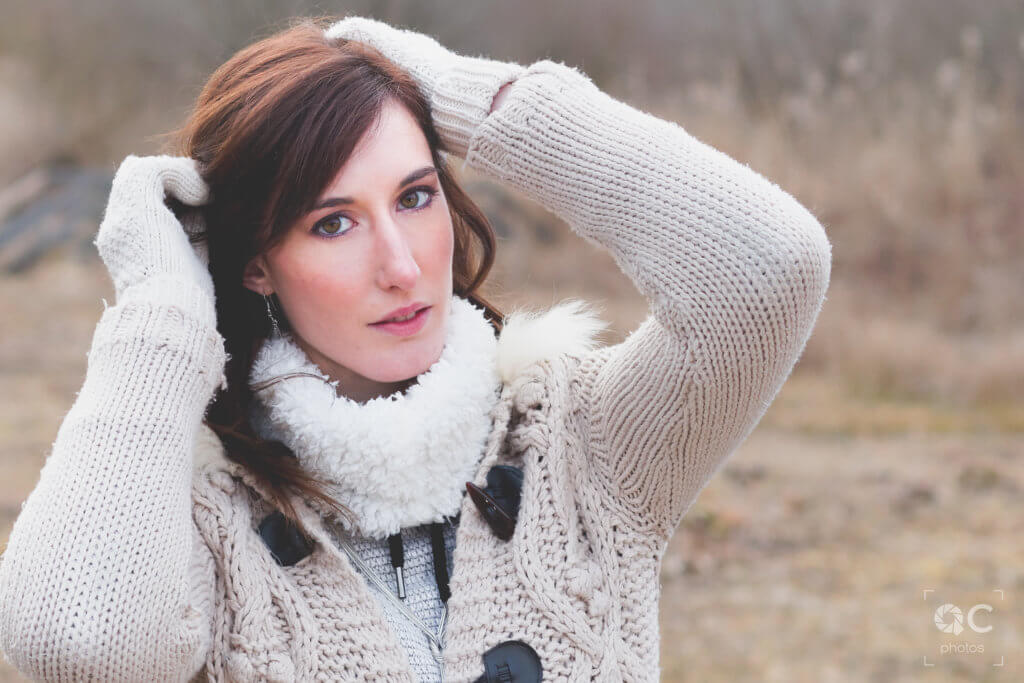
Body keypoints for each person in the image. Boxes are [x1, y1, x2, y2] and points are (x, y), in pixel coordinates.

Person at [0, 14, 832, 683]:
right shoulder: (200, 533)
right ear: (256, 263)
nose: (401, 265)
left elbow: (770, 267)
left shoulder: (587, 444)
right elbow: (76, 640)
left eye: (414, 196)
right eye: (334, 222)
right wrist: (162, 313)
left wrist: (459, 92)